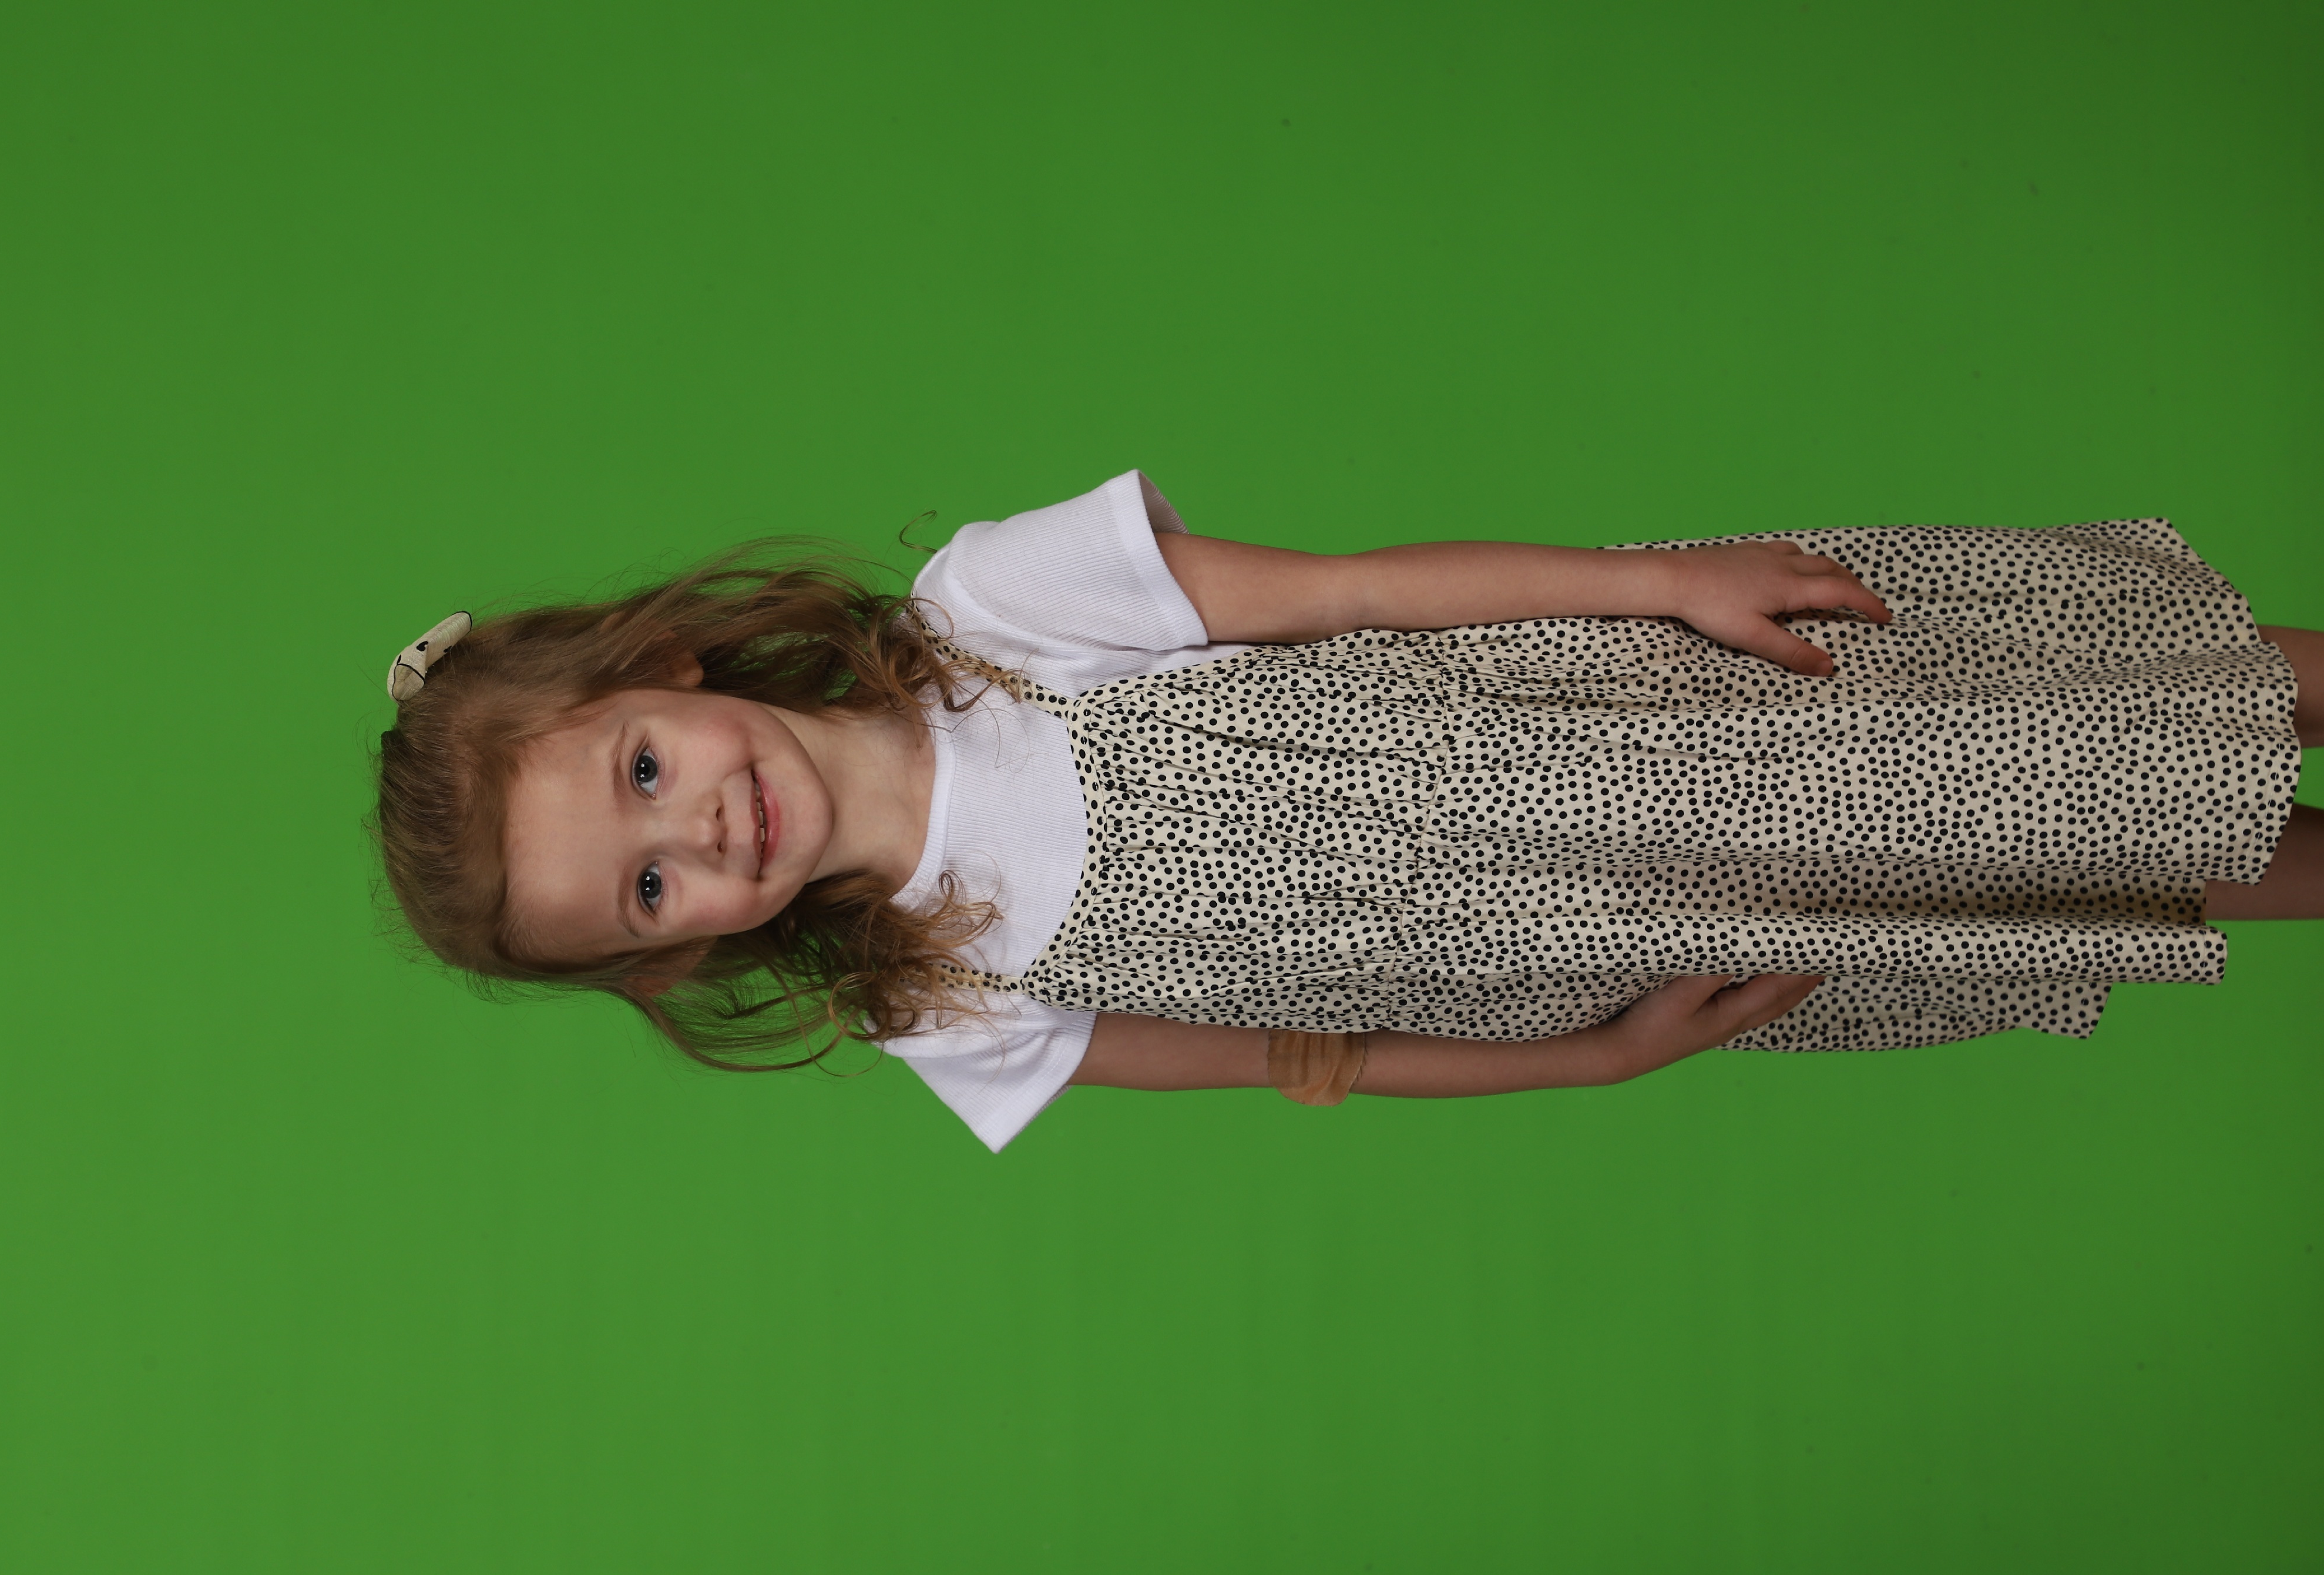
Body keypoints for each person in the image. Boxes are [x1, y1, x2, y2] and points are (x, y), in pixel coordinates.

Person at [372, 471, 2318, 1151]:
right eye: (647, 891)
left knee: (2128, 708)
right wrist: (1588, 1062)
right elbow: (1307, 1059)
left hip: (1651, 723)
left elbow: (1358, 593)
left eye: (645, 776)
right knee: (2149, 866)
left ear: (662, 670)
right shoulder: (932, 1001)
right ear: (671, 957)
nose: (701, 837)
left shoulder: (985, 615)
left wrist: (1659, 584)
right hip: (1616, 929)